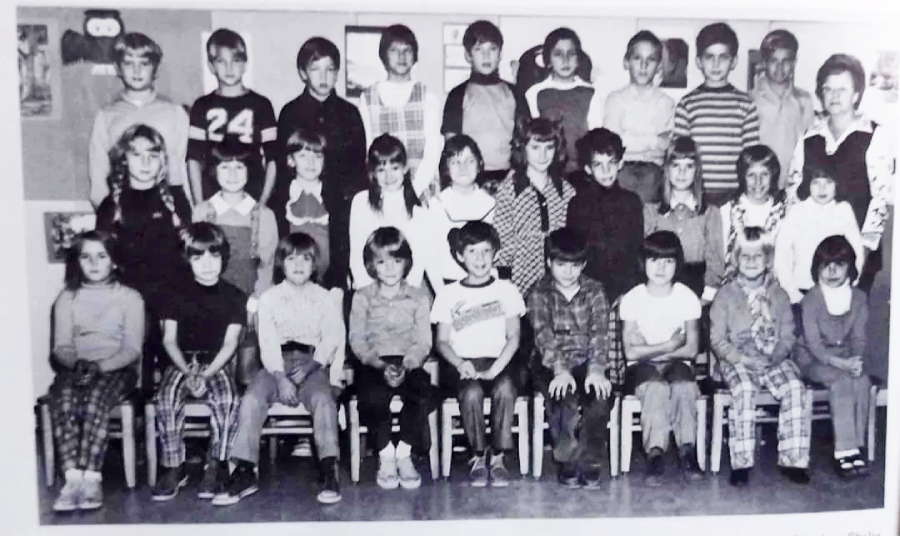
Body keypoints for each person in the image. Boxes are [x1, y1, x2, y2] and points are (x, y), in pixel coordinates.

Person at [214, 233, 345, 506]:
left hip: (312, 363)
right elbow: (268, 341)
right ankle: (245, 470)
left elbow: (332, 336)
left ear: (314, 264)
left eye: (306, 259)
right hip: (276, 364)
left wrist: (314, 364)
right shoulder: (270, 298)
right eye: (291, 258)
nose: (298, 264)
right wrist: (280, 377)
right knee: (251, 399)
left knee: (323, 400)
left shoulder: (325, 298)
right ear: (280, 263)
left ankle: (328, 467)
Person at [48, 231, 144, 512]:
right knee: (64, 399)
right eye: (86, 257)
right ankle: (71, 479)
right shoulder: (67, 297)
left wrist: (99, 367)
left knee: (94, 400)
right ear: (77, 262)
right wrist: (77, 364)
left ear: (114, 262)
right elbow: (62, 347)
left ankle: (91, 477)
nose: (93, 263)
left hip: (116, 368)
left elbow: (131, 349)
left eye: (102, 256)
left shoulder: (130, 298)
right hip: (75, 368)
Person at [710, 226, 811, 487]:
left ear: (768, 259)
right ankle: (741, 463)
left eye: (758, 256)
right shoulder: (726, 295)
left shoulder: (779, 295)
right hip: (738, 358)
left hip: (772, 358)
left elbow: (788, 335)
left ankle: (793, 460)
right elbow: (718, 340)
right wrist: (743, 360)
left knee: (795, 388)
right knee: (744, 389)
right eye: (745, 256)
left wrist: (776, 356)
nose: (752, 261)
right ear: (736, 259)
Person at [151, 223, 245, 502]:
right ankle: (174, 465)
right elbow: (169, 340)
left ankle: (217, 463)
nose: (207, 264)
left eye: (213, 256)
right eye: (198, 257)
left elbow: (230, 344)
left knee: (228, 399)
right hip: (181, 361)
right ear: (187, 259)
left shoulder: (235, 297)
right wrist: (187, 370)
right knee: (166, 397)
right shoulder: (173, 294)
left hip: (216, 362)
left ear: (223, 257)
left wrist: (206, 374)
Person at [95, 124, 192, 392]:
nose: (146, 162)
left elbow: (188, 256)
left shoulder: (176, 200)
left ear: (163, 159)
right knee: (138, 375)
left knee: (175, 372)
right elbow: (101, 262)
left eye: (153, 154)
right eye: (136, 155)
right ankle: (139, 423)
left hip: (171, 298)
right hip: (129, 300)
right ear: (122, 160)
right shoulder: (111, 204)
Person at [787, 53, 894, 290]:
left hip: (854, 253)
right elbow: (793, 193)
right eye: (828, 89)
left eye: (842, 89)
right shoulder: (808, 138)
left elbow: (881, 200)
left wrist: (863, 250)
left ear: (856, 94)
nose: (834, 96)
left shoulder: (876, 136)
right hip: (811, 253)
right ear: (821, 94)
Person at [432, 222, 526, 487]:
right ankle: (477, 455)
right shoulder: (448, 294)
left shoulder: (506, 289)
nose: (480, 258)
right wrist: (460, 363)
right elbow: (441, 341)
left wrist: (496, 369)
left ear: (495, 252)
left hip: (500, 360)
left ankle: (498, 456)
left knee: (505, 388)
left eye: (486, 251)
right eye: (472, 252)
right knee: (471, 392)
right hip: (462, 363)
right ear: (460, 255)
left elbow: (514, 337)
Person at [276, 36, 367, 287]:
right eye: (315, 69)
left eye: (330, 69)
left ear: (337, 73)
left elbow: (359, 167)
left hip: (339, 207)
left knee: (335, 280)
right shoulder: (290, 112)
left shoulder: (349, 113)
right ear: (303, 73)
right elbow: (283, 166)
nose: (323, 77)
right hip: (299, 206)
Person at [349, 227, 434, 490]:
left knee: (422, 392)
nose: (389, 269)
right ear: (371, 265)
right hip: (374, 362)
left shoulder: (419, 296)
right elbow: (357, 340)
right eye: (381, 262)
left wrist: (407, 364)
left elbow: (423, 341)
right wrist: (379, 364)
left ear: (406, 263)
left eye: (396, 261)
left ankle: (404, 453)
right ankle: (386, 454)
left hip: (409, 361)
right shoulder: (362, 296)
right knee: (372, 394)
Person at [528, 228, 612, 489]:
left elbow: (600, 331)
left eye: (575, 265)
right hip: (549, 362)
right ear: (548, 263)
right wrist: (559, 369)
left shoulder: (595, 291)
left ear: (583, 264)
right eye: (561, 264)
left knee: (598, 400)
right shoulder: (538, 293)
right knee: (562, 398)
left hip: (587, 360)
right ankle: (567, 460)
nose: (568, 271)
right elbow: (543, 334)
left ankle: (590, 461)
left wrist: (596, 369)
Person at [620, 231, 705, 487]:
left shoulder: (686, 297)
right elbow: (631, 353)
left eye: (668, 261)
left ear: (677, 264)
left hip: (678, 364)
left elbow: (691, 350)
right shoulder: (633, 298)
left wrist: (652, 349)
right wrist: (668, 345)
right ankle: (655, 453)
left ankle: (687, 450)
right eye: (654, 259)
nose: (660, 267)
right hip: (641, 368)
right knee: (656, 387)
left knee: (684, 385)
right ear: (643, 262)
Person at [191, 141, 278, 387]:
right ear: (213, 171)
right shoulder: (202, 212)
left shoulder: (263, 215)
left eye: (239, 167)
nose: (231, 174)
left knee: (246, 375)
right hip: (210, 302)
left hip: (249, 305)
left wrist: (255, 303)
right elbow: (193, 262)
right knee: (213, 376)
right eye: (224, 167)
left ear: (249, 171)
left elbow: (267, 266)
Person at [795, 236, 871, 479]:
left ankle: (855, 446)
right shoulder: (812, 299)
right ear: (817, 269)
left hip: (846, 358)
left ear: (851, 266)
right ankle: (843, 452)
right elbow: (813, 344)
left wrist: (856, 361)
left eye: (839, 263)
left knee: (861, 381)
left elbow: (859, 338)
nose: (832, 271)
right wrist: (841, 364)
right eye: (825, 265)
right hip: (812, 359)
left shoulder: (858, 298)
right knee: (840, 382)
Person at [88, 32, 190, 209]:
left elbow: (184, 168)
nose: (137, 71)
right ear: (118, 68)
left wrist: (189, 214)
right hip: (123, 209)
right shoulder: (107, 116)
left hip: (169, 208)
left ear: (155, 68)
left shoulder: (174, 113)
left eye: (144, 64)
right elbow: (98, 177)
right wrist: (107, 216)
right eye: (128, 63)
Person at [187, 29, 278, 206]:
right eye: (221, 61)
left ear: (245, 64)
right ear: (211, 66)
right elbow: (193, 159)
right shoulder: (201, 106)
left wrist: (263, 202)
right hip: (212, 194)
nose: (229, 68)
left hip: (252, 193)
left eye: (236, 61)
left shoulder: (262, 105)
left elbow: (273, 160)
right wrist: (199, 204)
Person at [673, 22, 760, 204]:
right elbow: (680, 153)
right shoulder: (687, 104)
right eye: (709, 57)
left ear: (734, 61)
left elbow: (751, 156)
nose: (716, 64)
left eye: (723, 57)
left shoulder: (745, 104)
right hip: (697, 192)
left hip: (734, 192)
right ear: (698, 62)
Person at [441, 20, 529, 189]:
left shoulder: (515, 93)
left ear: (501, 53)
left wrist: (514, 177)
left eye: (492, 49)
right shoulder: (457, 95)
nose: (486, 56)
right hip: (469, 178)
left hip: (509, 178)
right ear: (468, 55)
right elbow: (452, 146)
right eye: (479, 50)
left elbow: (525, 141)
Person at [358, 24, 443, 197]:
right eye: (394, 50)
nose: (402, 56)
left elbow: (433, 148)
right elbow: (367, 147)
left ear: (415, 55)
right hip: (383, 187)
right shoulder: (367, 98)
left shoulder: (427, 96)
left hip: (422, 190)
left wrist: (416, 188)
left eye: (407, 50)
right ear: (384, 55)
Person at [494, 117, 576, 297]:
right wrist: (505, 282)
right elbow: (503, 239)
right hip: (520, 279)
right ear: (523, 149)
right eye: (535, 148)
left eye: (549, 148)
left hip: (559, 281)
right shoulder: (510, 190)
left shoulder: (565, 190)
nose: (543, 155)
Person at [348, 134, 442, 291]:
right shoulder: (361, 202)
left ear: (405, 168)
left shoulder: (418, 208)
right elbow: (356, 255)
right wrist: (368, 292)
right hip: (371, 289)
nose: (389, 176)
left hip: (409, 290)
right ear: (372, 173)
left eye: (395, 168)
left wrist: (441, 296)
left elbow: (426, 258)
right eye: (381, 170)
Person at [567, 128, 643, 304]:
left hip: (625, 289)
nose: (606, 170)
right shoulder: (577, 204)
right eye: (598, 165)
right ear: (587, 168)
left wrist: (628, 291)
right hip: (588, 290)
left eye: (611, 162)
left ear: (621, 163)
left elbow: (636, 252)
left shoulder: (632, 202)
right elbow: (577, 254)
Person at [643, 136, 725, 301]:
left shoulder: (710, 213)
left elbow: (715, 260)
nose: (682, 173)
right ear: (667, 170)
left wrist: (707, 297)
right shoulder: (652, 212)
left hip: (697, 287)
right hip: (659, 284)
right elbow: (644, 257)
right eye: (675, 166)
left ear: (697, 171)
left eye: (689, 166)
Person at [602, 30, 675, 203]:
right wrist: (654, 141)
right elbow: (612, 144)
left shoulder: (665, 102)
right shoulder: (615, 99)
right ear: (626, 62)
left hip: (653, 172)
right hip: (621, 170)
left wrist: (629, 139)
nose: (643, 65)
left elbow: (664, 147)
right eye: (637, 58)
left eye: (650, 60)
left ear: (658, 66)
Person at [774, 164, 864, 304]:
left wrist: (851, 283)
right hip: (801, 289)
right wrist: (792, 292)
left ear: (837, 184)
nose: (822, 189)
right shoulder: (797, 211)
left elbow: (857, 251)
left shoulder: (843, 211)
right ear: (807, 184)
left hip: (836, 289)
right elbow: (781, 254)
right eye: (816, 183)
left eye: (828, 182)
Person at [525, 27, 604, 173]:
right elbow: (532, 139)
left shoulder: (590, 93)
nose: (565, 60)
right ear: (548, 60)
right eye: (558, 54)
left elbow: (596, 138)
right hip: (545, 170)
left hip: (581, 172)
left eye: (571, 54)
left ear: (578, 60)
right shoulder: (535, 93)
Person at [749, 30, 815, 190]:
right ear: (764, 62)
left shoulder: (803, 100)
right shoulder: (751, 99)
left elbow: (811, 145)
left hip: (793, 185)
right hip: (759, 185)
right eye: (773, 61)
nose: (780, 67)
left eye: (786, 61)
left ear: (794, 62)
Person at [428, 134, 497, 283]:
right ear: (446, 168)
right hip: (449, 284)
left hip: (487, 283)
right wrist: (442, 295)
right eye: (455, 162)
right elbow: (432, 259)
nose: (463, 167)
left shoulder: (492, 204)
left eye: (469, 161)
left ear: (479, 165)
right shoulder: (437, 205)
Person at [719, 145, 789, 282]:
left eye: (764, 174)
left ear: (773, 175)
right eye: (751, 175)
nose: (758, 181)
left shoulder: (783, 212)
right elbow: (720, 257)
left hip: (774, 285)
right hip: (734, 285)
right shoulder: (728, 210)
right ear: (742, 177)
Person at [282, 127, 332, 279]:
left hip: (326, 283)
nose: (311, 163)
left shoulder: (334, 198)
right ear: (291, 160)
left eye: (317, 156)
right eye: (303, 156)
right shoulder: (281, 198)